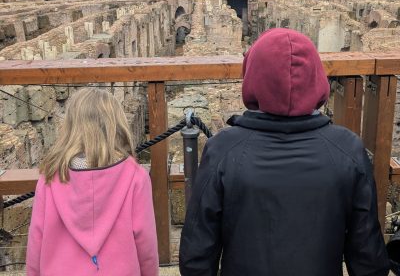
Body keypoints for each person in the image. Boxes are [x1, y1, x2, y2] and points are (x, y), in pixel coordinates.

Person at [180, 28, 390, 276]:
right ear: (316, 78)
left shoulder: (223, 149)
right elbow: (369, 258)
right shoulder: (347, 149)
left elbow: (196, 256)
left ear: (253, 78)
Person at [27, 88, 158, 276]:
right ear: (116, 124)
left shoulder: (50, 176)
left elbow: (36, 240)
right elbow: (146, 242)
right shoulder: (135, 177)